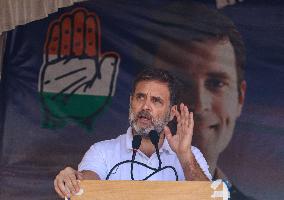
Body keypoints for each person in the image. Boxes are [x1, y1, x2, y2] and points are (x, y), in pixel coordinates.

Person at [54, 68, 212, 199]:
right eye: (140, 97)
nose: (145, 107)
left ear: (171, 113)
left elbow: (209, 197)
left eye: (156, 101)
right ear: (131, 102)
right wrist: (73, 178)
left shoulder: (191, 156)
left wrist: (184, 155)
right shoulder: (102, 151)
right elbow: (86, 187)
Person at [151, 2, 251, 199]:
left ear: (240, 98)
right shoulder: (108, 178)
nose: (198, 104)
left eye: (216, 83)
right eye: (179, 82)